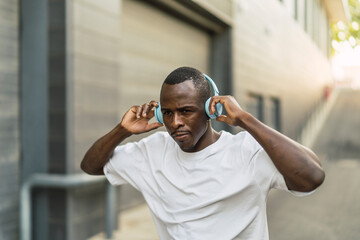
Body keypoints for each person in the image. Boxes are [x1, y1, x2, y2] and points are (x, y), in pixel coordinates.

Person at [81, 66, 325, 239]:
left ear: (210, 110)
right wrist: (122, 130)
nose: (175, 121)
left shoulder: (245, 151)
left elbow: (312, 177)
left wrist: (246, 119)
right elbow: (91, 166)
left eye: (186, 111)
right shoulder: (151, 151)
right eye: (167, 112)